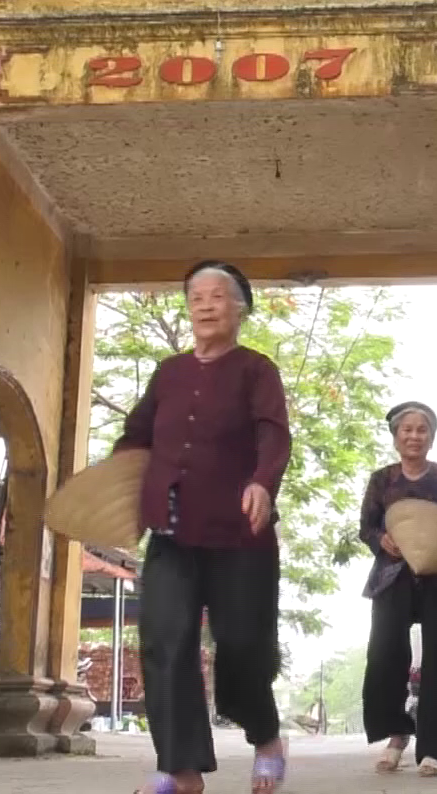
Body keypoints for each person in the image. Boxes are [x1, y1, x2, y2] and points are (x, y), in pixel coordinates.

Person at [111, 261, 292, 794]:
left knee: (242, 645)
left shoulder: (256, 370)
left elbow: (273, 434)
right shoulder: (168, 373)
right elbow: (136, 436)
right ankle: (182, 770)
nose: (206, 304)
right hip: (171, 532)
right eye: (196, 296)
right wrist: (115, 488)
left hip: (240, 533)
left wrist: (263, 482)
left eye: (219, 295)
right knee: (165, 640)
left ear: (240, 309)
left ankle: (265, 736)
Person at [358, 401, 437, 777]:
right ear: (395, 437)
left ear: (431, 438)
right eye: (407, 429)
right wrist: (382, 540)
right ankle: (396, 734)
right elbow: (367, 528)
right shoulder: (382, 480)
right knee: (386, 651)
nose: (414, 436)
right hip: (394, 575)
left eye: (422, 430)